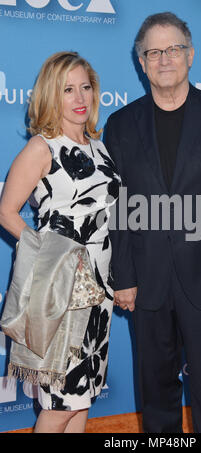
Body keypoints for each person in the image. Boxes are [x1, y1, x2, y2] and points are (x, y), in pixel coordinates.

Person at [105, 12, 201, 433]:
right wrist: (123, 276)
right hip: (147, 281)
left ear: (190, 55)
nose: (164, 59)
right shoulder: (119, 125)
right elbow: (117, 207)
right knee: (155, 396)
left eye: (173, 49)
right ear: (141, 62)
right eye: (153, 52)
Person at [0, 51, 120, 433]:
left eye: (85, 87)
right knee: (59, 404)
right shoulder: (42, 147)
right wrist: (52, 253)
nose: (80, 97)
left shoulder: (100, 148)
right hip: (60, 292)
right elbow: (7, 212)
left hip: (101, 289)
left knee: (82, 399)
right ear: (52, 96)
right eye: (68, 89)